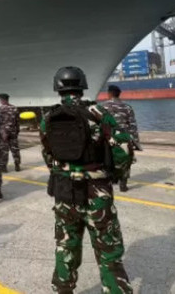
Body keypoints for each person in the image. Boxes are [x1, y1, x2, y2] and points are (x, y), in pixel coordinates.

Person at [40, 66, 132, 294]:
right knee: (108, 252)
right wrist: (116, 173)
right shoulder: (97, 113)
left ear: (57, 89)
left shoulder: (49, 117)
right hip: (96, 192)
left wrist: (63, 170)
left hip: (63, 192)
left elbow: (47, 153)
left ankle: (63, 289)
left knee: (65, 246)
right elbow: (123, 148)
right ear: (82, 86)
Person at [103, 85, 141, 192]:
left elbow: (100, 124)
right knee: (125, 161)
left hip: (110, 138)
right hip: (124, 138)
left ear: (109, 94)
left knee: (108, 159)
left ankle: (110, 182)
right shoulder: (127, 107)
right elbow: (133, 126)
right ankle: (123, 185)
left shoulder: (103, 107)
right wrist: (135, 143)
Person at [0, 93, 21, 172]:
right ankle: (17, 164)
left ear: (1, 100)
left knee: (4, 151)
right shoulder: (14, 108)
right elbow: (17, 121)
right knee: (15, 149)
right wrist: (17, 131)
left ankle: (4, 167)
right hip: (13, 132)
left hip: (4, 133)